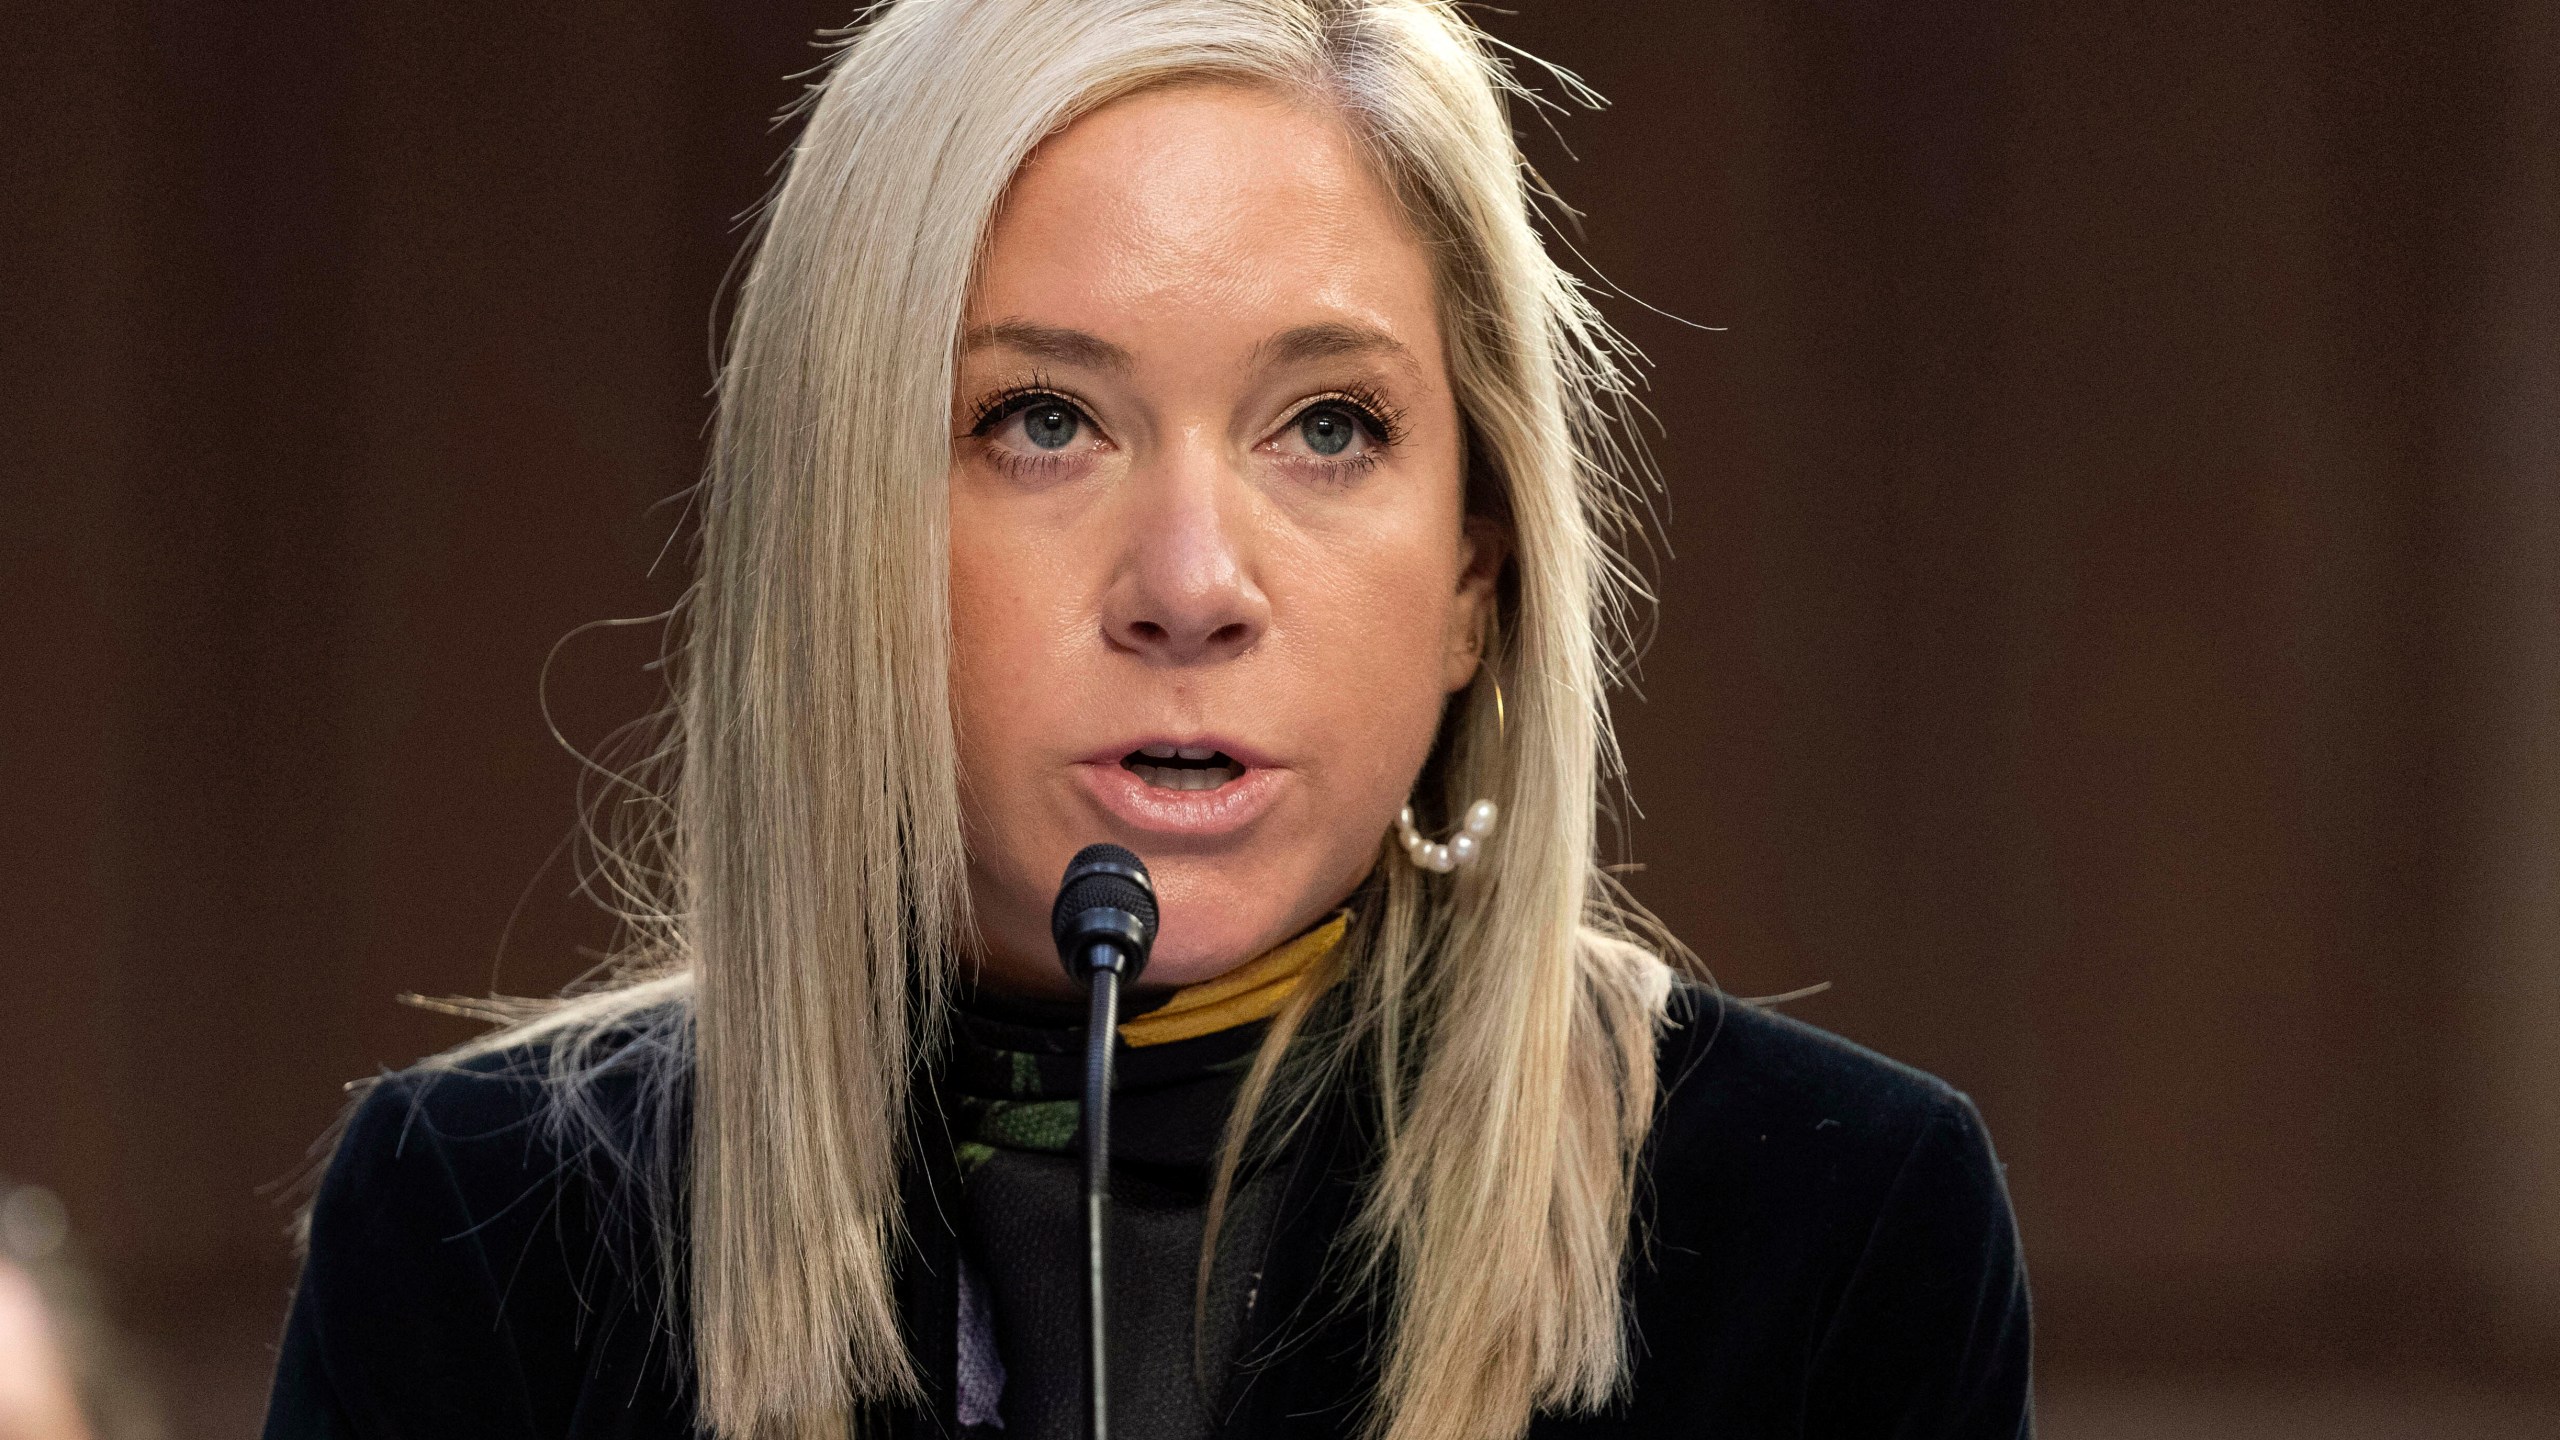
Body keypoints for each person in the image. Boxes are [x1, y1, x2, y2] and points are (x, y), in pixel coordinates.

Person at [262, 3, 2032, 1437]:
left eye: (1327, 426)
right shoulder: (488, 1233)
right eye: (1042, 421)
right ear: (837, 540)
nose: (1191, 581)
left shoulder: (1823, 1227)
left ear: (1479, 575)